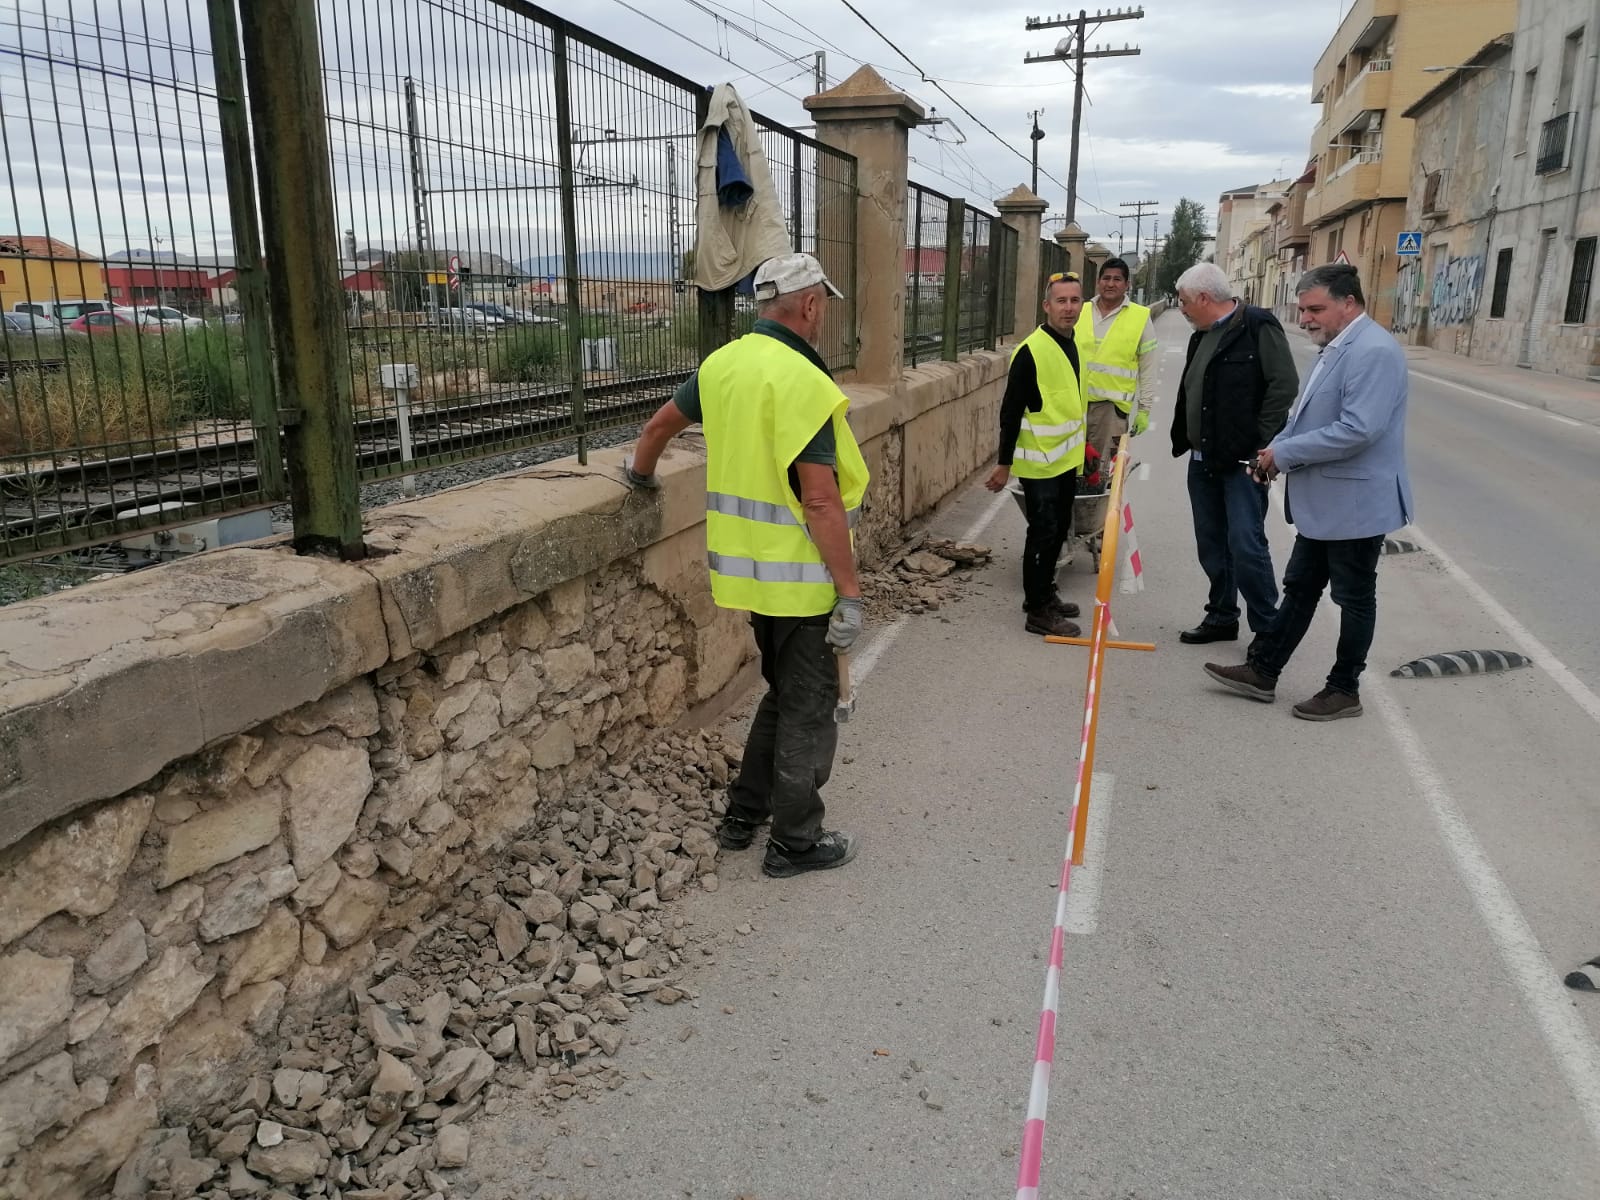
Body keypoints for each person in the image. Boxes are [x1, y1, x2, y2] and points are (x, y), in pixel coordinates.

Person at [626, 253, 864, 877]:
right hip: (804, 581)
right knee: (808, 709)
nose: (823, 317)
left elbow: (655, 430)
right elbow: (819, 497)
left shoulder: (721, 365)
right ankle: (795, 842)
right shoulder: (802, 381)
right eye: (823, 307)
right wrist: (850, 591)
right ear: (809, 305)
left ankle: (743, 814)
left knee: (784, 696)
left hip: (750, 579)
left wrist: (640, 479)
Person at [1204, 263, 1413, 721]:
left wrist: (1286, 454)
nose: (1306, 319)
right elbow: (1307, 416)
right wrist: (1276, 450)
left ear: (1349, 303)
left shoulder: (1373, 351)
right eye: (1302, 309)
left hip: (1357, 504)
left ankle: (1344, 689)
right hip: (1330, 502)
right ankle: (1264, 670)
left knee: (1354, 598)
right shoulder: (1338, 346)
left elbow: (1357, 430)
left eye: (1315, 309)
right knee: (1299, 588)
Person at [1169, 261, 1299, 646]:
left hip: (1242, 462)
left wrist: (1259, 440)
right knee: (1211, 543)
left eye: (1184, 301)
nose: (1182, 308)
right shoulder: (1201, 334)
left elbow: (1284, 386)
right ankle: (1222, 616)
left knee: (1245, 543)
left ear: (1205, 298)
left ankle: (1267, 630)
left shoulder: (1258, 326)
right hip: (1201, 459)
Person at [984, 271, 1088, 638]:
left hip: (1064, 459)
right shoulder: (1031, 351)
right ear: (1046, 306)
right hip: (1040, 462)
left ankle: (1045, 594)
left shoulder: (1072, 342)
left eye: (1075, 300)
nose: (1069, 308)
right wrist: (1003, 463)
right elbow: (1010, 412)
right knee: (1043, 533)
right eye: (1061, 301)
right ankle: (1038, 610)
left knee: (1059, 530)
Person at [1075, 256, 1158, 464]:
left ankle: (1102, 498)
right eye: (1106, 278)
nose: (1110, 284)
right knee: (1072, 469)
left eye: (1117, 279)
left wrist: (1144, 410)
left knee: (1104, 472)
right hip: (1074, 405)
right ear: (1098, 282)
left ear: (1127, 285)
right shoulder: (1080, 311)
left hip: (1111, 412)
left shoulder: (1140, 317)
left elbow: (1148, 368)